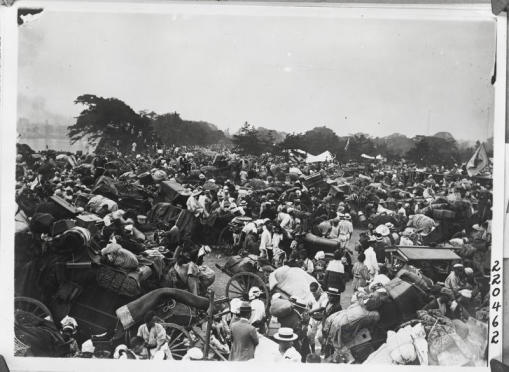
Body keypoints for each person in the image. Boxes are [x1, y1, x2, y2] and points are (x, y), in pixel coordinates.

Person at [307, 282, 328, 354]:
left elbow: (323, 307)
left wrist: (312, 310)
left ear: (318, 289)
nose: (313, 293)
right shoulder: (311, 295)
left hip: (322, 319)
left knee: (320, 336)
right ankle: (313, 351)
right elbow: (309, 304)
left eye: (315, 292)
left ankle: (323, 347)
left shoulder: (324, 295)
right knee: (310, 335)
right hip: (313, 318)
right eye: (312, 292)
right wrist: (310, 311)